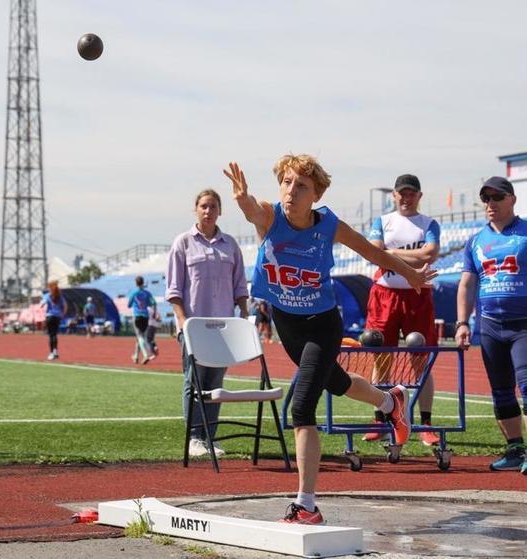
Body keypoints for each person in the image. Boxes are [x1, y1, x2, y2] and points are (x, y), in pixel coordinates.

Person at [224, 155, 436, 524]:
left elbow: (374, 252)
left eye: (301, 186)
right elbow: (250, 209)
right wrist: (242, 197)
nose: (291, 191)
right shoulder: (270, 217)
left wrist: (411, 274)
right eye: (287, 183)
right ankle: (391, 401)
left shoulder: (329, 226)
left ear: (316, 193)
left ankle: (307, 505)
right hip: (286, 322)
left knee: (301, 408)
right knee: (336, 382)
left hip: (322, 323)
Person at [165, 189, 249, 459]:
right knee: (195, 381)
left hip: (223, 327)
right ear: (196, 209)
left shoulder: (230, 245)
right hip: (194, 326)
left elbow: (239, 283)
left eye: (213, 206)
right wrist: (182, 320)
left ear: (220, 210)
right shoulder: (183, 243)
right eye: (203, 205)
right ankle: (194, 436)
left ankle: (210, 437)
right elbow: (174, 288)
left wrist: (244, 312)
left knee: (215, 384)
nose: (208, 211)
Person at [362, 174, 441, 446]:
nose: (406, 198)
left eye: (411, 193)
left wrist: (390, 254)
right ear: (394, 196)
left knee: (421, 362)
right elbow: (374, 252)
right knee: (380, 359)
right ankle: (380, 420)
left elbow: (429, 254)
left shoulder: (428, 223)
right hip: (384, 294)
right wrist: (406, 255)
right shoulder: (383, 222)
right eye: (401, 194)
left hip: (417, 296)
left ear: (419, 196)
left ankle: (425, 424)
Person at [455, 176, 527, 475]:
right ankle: (515, 449)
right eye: (486, 199)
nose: (490, 204)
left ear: (512, 199)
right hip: (490, 325)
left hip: (523, 323)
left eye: (497, 197)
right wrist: (461, 322)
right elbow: (467, 284)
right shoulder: (476, 240)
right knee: (501, 391)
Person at [128, 276, 157, 364]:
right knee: (139, 337)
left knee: (140, 336)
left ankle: (146, 354)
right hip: (145, 316)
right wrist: (155, 313)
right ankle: (136, 356)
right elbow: (153, 303)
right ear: (143, 282)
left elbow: (129, 305)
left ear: (136, 283)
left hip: (137, 316)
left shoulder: (134, 292)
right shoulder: (147, 293)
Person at [40, 280, 68, 361]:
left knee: (51, 335)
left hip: (50, 316)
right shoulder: (60, 296)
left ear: (50, 287)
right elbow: (66, 306)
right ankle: (55, 351)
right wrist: (63, 314)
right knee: (55, 334)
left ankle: (51, 353)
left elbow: (42, 304)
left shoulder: (48, 295)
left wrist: (42, 305)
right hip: (58, 317)